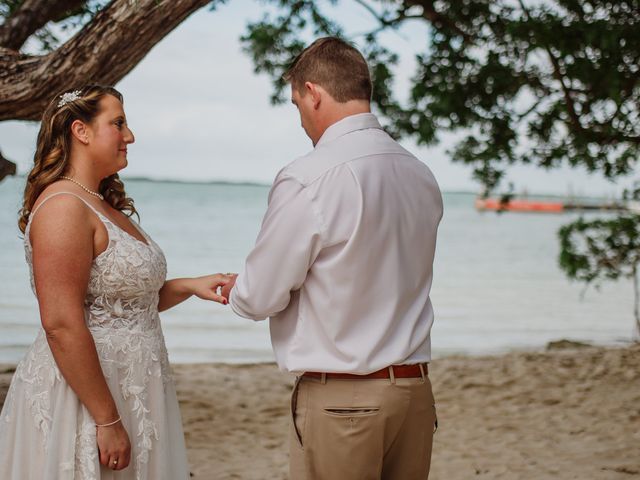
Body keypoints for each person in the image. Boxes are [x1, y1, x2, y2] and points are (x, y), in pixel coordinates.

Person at [221, 37, 443, 479]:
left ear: (313, 93)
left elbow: (260, 295)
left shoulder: (309, 177)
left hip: (345, 401)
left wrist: (237, 291)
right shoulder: (420, 173)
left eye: (296, 103)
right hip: (414, 395)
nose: (301, 119)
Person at [0, 85, 230, 479]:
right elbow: (60, 323)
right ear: (81, 131)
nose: (130, 136)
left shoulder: (100, 204)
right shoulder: (63, 207)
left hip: (135, 387)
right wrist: (106, 420)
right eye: (118, 123)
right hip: (85, 397)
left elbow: (125, 303)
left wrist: (190, 285)